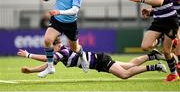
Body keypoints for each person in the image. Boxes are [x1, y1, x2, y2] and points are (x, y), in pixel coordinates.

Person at [17, 38, 167, 79]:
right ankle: (152, 55)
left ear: (56, 46)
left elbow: (45, 59)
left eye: (50, 48)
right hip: (98, 61)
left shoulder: (62, 52)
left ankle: (155, 66)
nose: (49, 51)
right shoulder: (60, 53)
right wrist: (30, 70)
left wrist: (28, 55)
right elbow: (48, 65)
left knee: (124, 75)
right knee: (128, 65)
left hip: (100, 60)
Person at [128, 0, 179, 81]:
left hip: (170, 21)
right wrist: (150, 11)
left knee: (167, 52)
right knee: (145, 46)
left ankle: (173, 74)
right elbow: (158, 5)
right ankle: (157, 51)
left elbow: (160, 1)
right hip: (158, 21)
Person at [36, 0, 88, 78]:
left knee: (74, 48)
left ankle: (82, 55)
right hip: (57, 20)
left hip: (70, 23)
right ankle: (50, 67)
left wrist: (59, 11)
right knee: (47, 40)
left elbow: (75, 10)